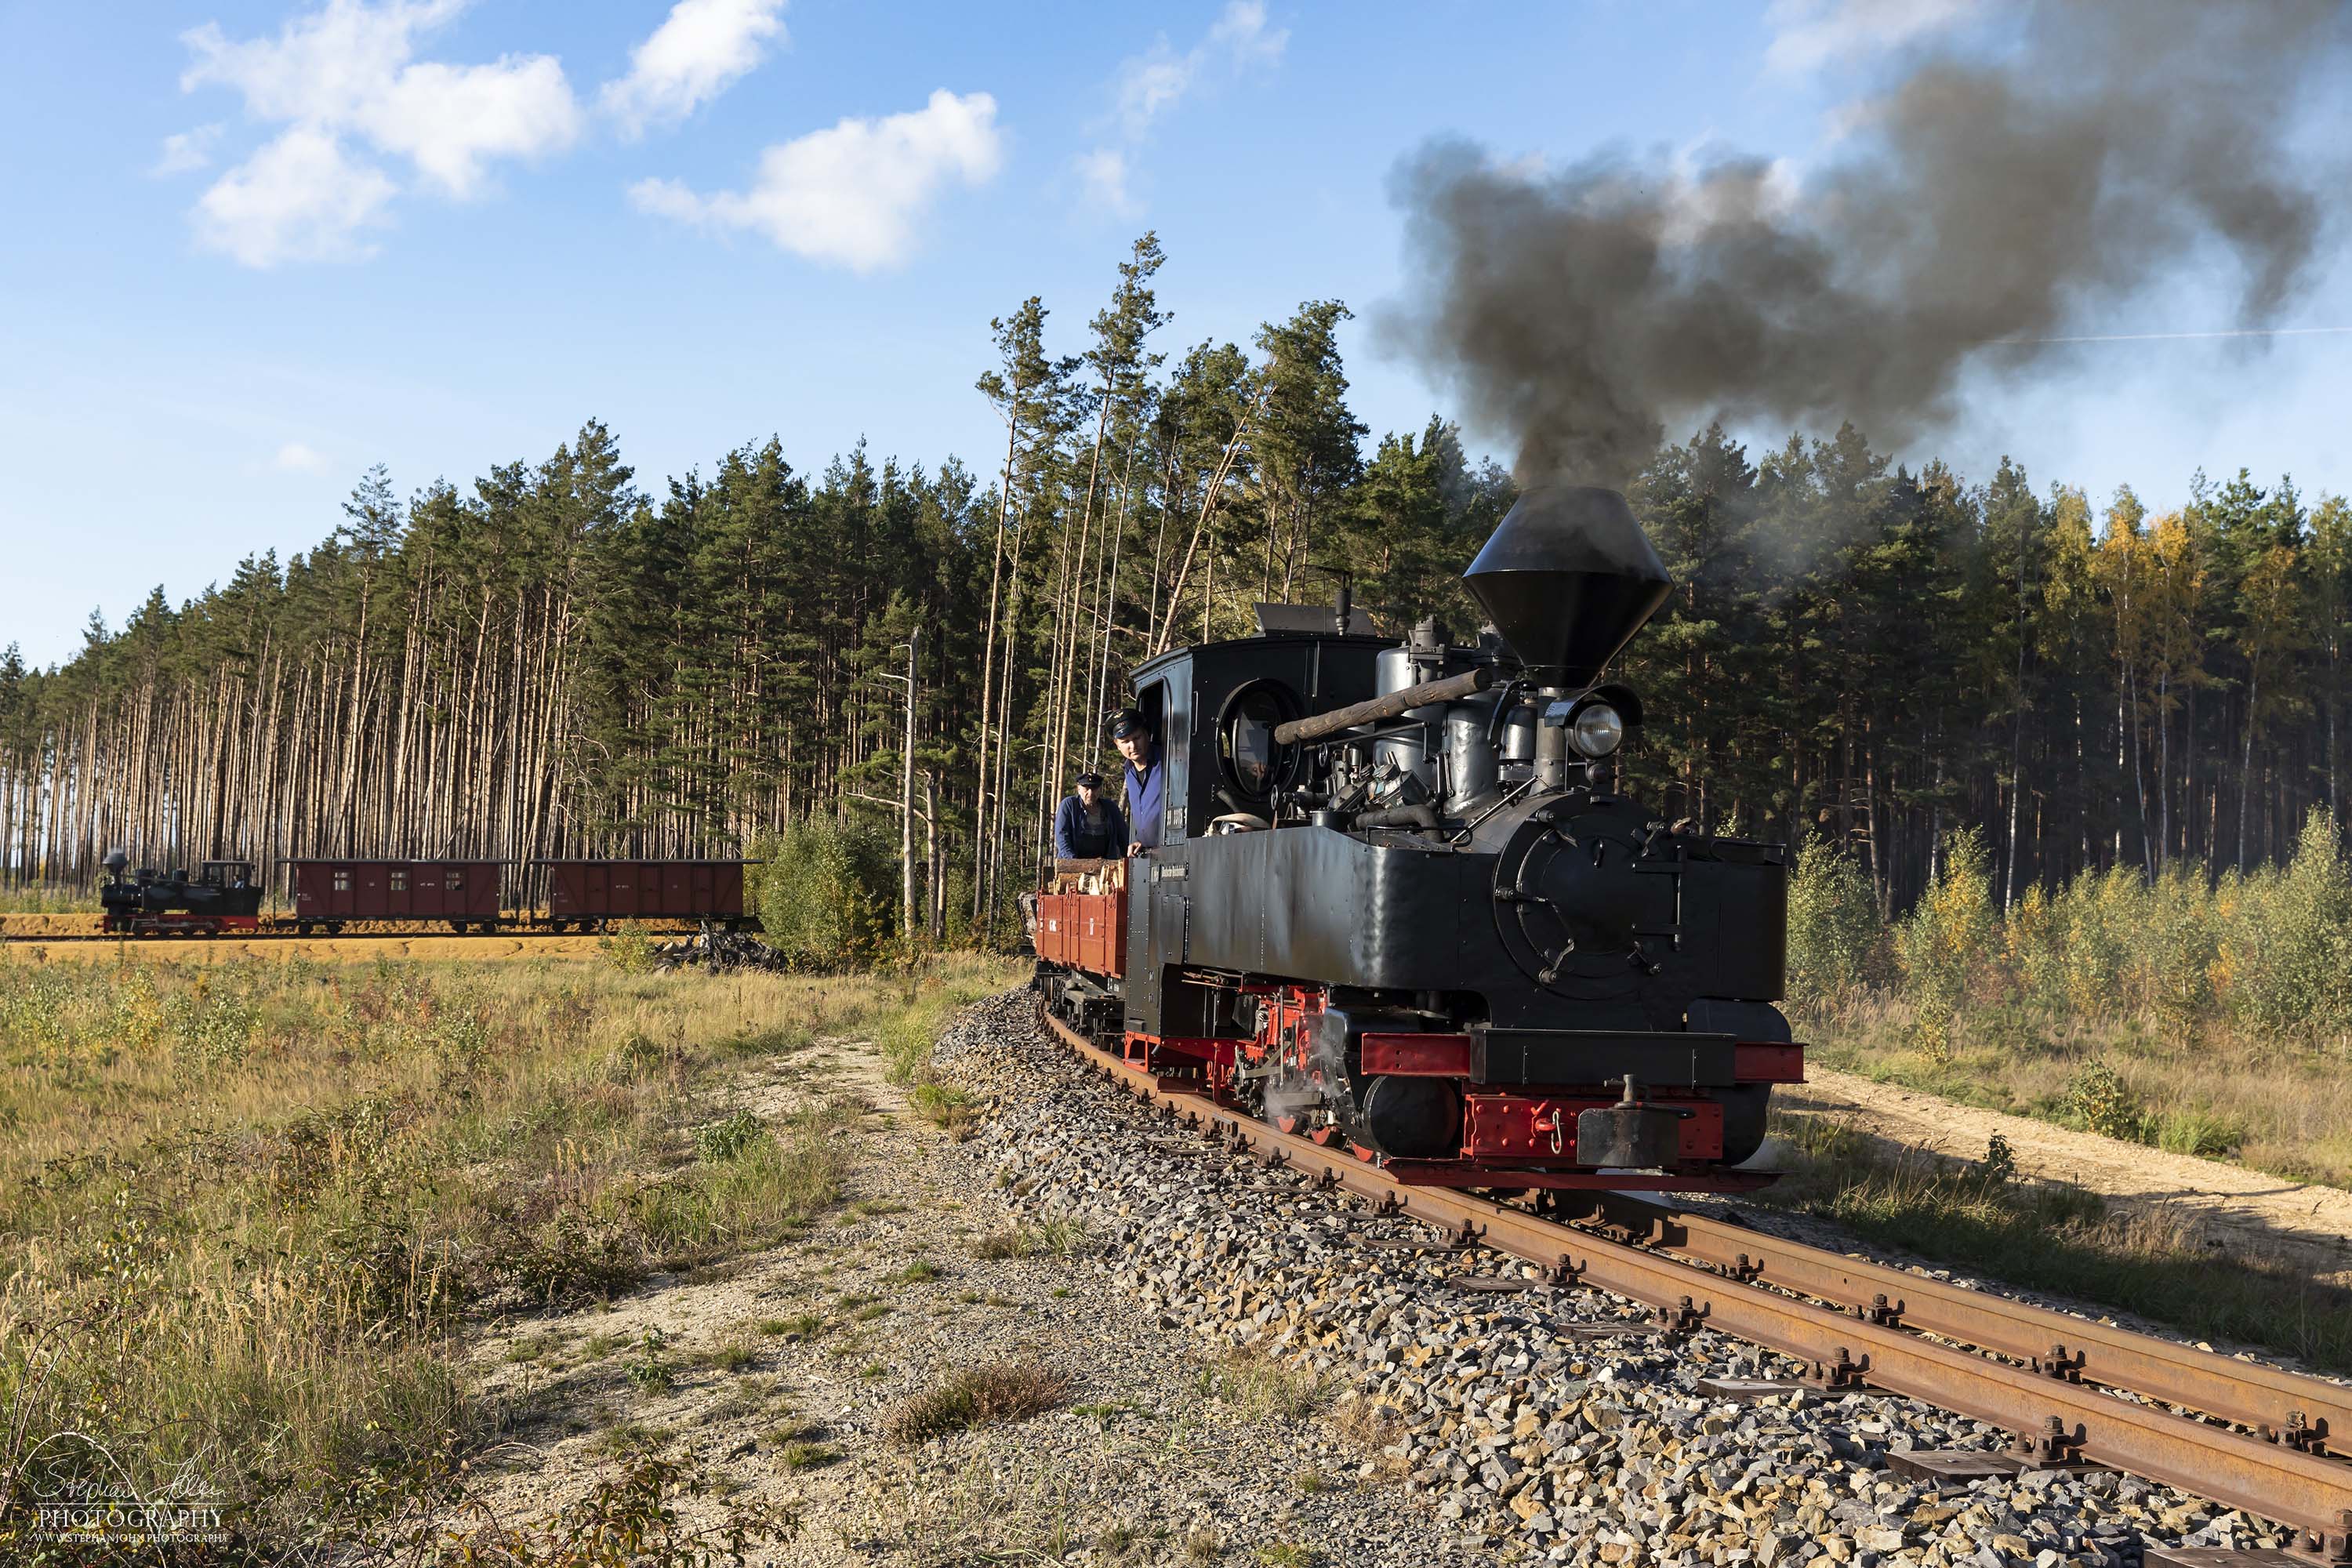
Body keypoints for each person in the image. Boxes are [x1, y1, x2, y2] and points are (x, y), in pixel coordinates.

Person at [1112, 708, 1163, 855]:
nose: (1133, 746)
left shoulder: (1167, 761)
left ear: (1147, 734)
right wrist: (1138, 839)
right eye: (1126, 741)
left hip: (1170, 852)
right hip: (1146, 853)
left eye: (1137, 738)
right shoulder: (1129, 770)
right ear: (1117, 744)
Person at [1053, 771, 1127, 861]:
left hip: (1104, 864)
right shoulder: (1069, 805)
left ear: (1100, 789)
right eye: (1086, 789)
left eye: (1094, 788)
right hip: (1072, 864)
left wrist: (1130, 859)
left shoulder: (1110, 808)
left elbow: (1123, 836)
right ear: (1079, 789)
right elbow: (1062, 835)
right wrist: (1072, 862)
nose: (1090, 793)